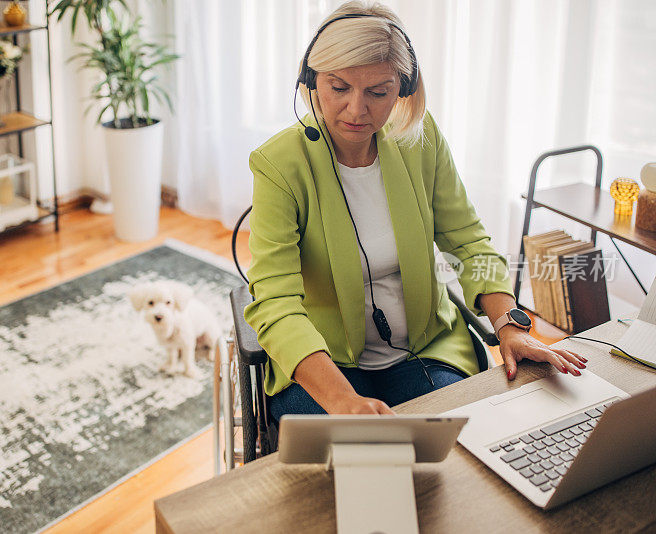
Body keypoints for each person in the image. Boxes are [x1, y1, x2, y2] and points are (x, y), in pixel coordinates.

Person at [244, 1, 587, 420]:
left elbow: (470, 243)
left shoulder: (419, 141)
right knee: (348, 465)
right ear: (311, 80)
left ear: (403, 89)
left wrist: (510, 327)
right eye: (339, 88)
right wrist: (342, 400)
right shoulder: (278, 164)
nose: (357, 109)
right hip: (325, 361)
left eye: (377, 92)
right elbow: (275, 300)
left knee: (459, 447)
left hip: (425, 348)